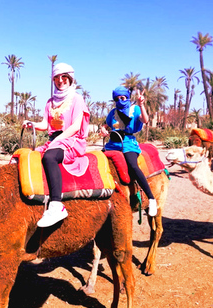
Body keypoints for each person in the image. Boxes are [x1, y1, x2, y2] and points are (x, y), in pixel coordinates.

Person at [22, 62, 90, 227]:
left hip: (72, 140)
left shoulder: (77, 99)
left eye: (63, 77)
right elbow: (46, 125)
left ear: (69, 78)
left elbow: (75, 126)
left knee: (50, 157)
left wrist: (58, 141)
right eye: (57, 78)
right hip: (55, 140)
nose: (60, 80)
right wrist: (31, 123)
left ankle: (56, 205)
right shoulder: (50, 102)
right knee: (28, 156)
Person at [100, 86, 157, 217]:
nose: (120, 100)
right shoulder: (113, 112)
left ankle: (151, 198)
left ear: (127, 97)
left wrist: (141, 105)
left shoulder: (134, 109)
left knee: (132, 165)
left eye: (123, 98)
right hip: (112, 144)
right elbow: (106, 124)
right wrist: (103, 129)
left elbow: (145, 120)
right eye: (117, 98)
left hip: (128, 144)